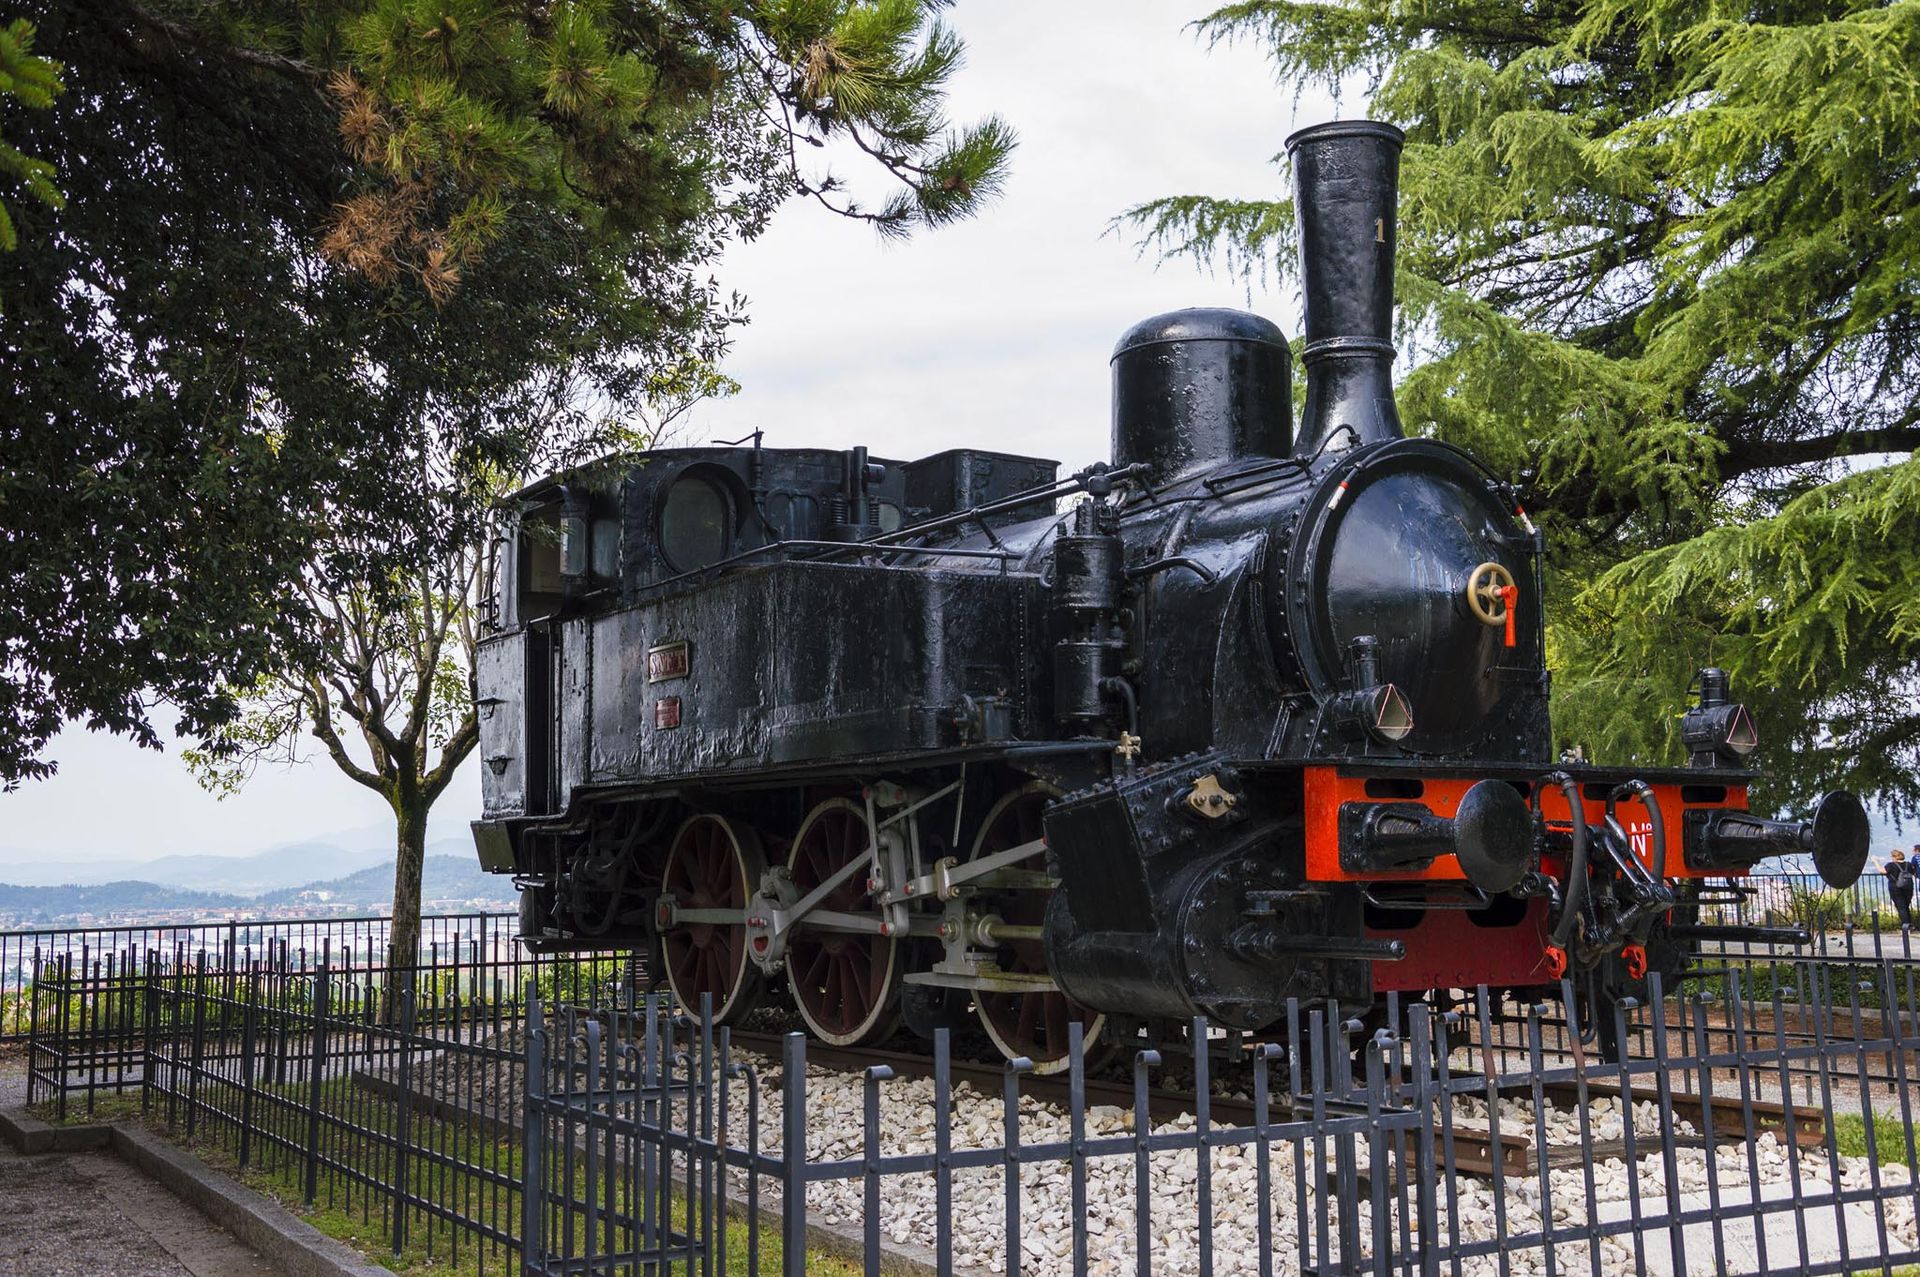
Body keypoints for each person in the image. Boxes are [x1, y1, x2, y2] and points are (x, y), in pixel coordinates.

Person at [1886, 848, 1915, 930]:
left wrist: (1876, 862)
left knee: (1901, 906)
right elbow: (1914, 873)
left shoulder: (1891, 865)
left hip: (1896, 887)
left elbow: (1883, 871)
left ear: (1894, 857)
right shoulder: (1908, 864)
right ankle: (1910, 924)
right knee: (1905, 906)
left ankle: (1906, 926)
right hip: (1908, 887)